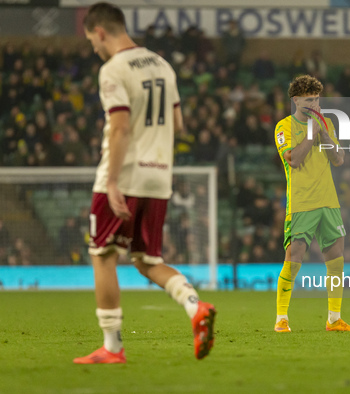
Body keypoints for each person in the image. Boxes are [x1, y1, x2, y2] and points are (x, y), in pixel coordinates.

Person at [74, 2, 215, 365]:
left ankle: (112, 347)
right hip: (159, 176)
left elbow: (120, 127)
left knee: (102, 254)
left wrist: (114, 181)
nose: (94, 47)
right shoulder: (161, 65)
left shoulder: (113, 70)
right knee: (147, 259)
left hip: (124, 174)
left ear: (100, 32)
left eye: (92, 40)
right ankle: (194, 305)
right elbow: (179, 125)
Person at [273, 75, 350, 333]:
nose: (313, 103)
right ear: (296, 100)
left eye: (317, 99)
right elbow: (294, 160)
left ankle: (334, 319)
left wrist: (323, 133)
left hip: (328, 201)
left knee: (336, 258)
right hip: (301, 202)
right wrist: (312, 133)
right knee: (294, 258)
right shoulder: (283, 127)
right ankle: (281, 318)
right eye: (308, 99)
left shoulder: (326, 123)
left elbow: (338, 159)